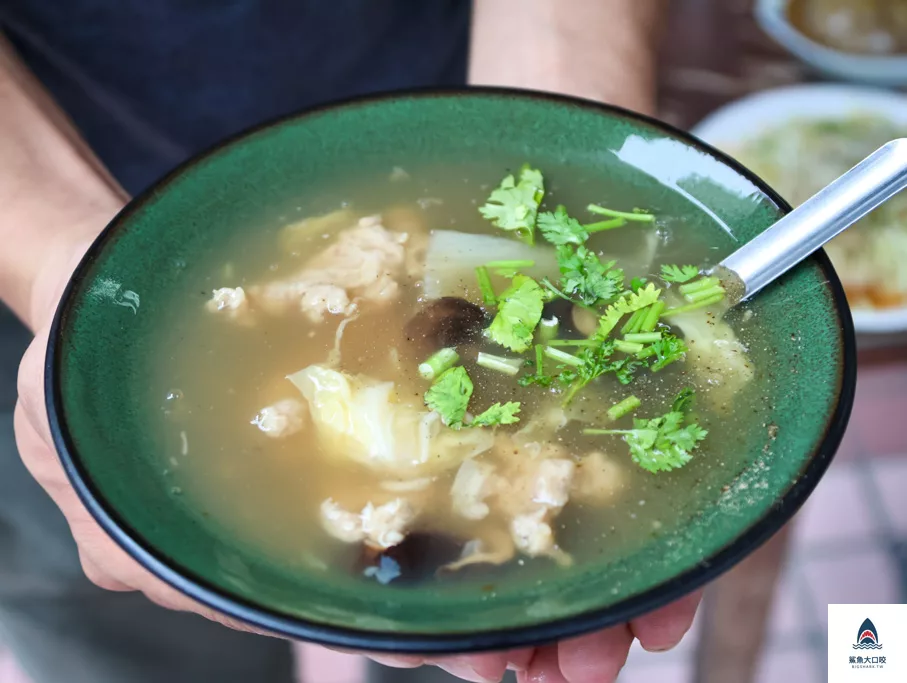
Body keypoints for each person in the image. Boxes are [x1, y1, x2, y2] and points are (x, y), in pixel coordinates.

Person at [0, 1, 700, 681]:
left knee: (470, 630)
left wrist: (553, 140)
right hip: (30, 217)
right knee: (122, 617)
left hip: (439, 107)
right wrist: (64, 268)